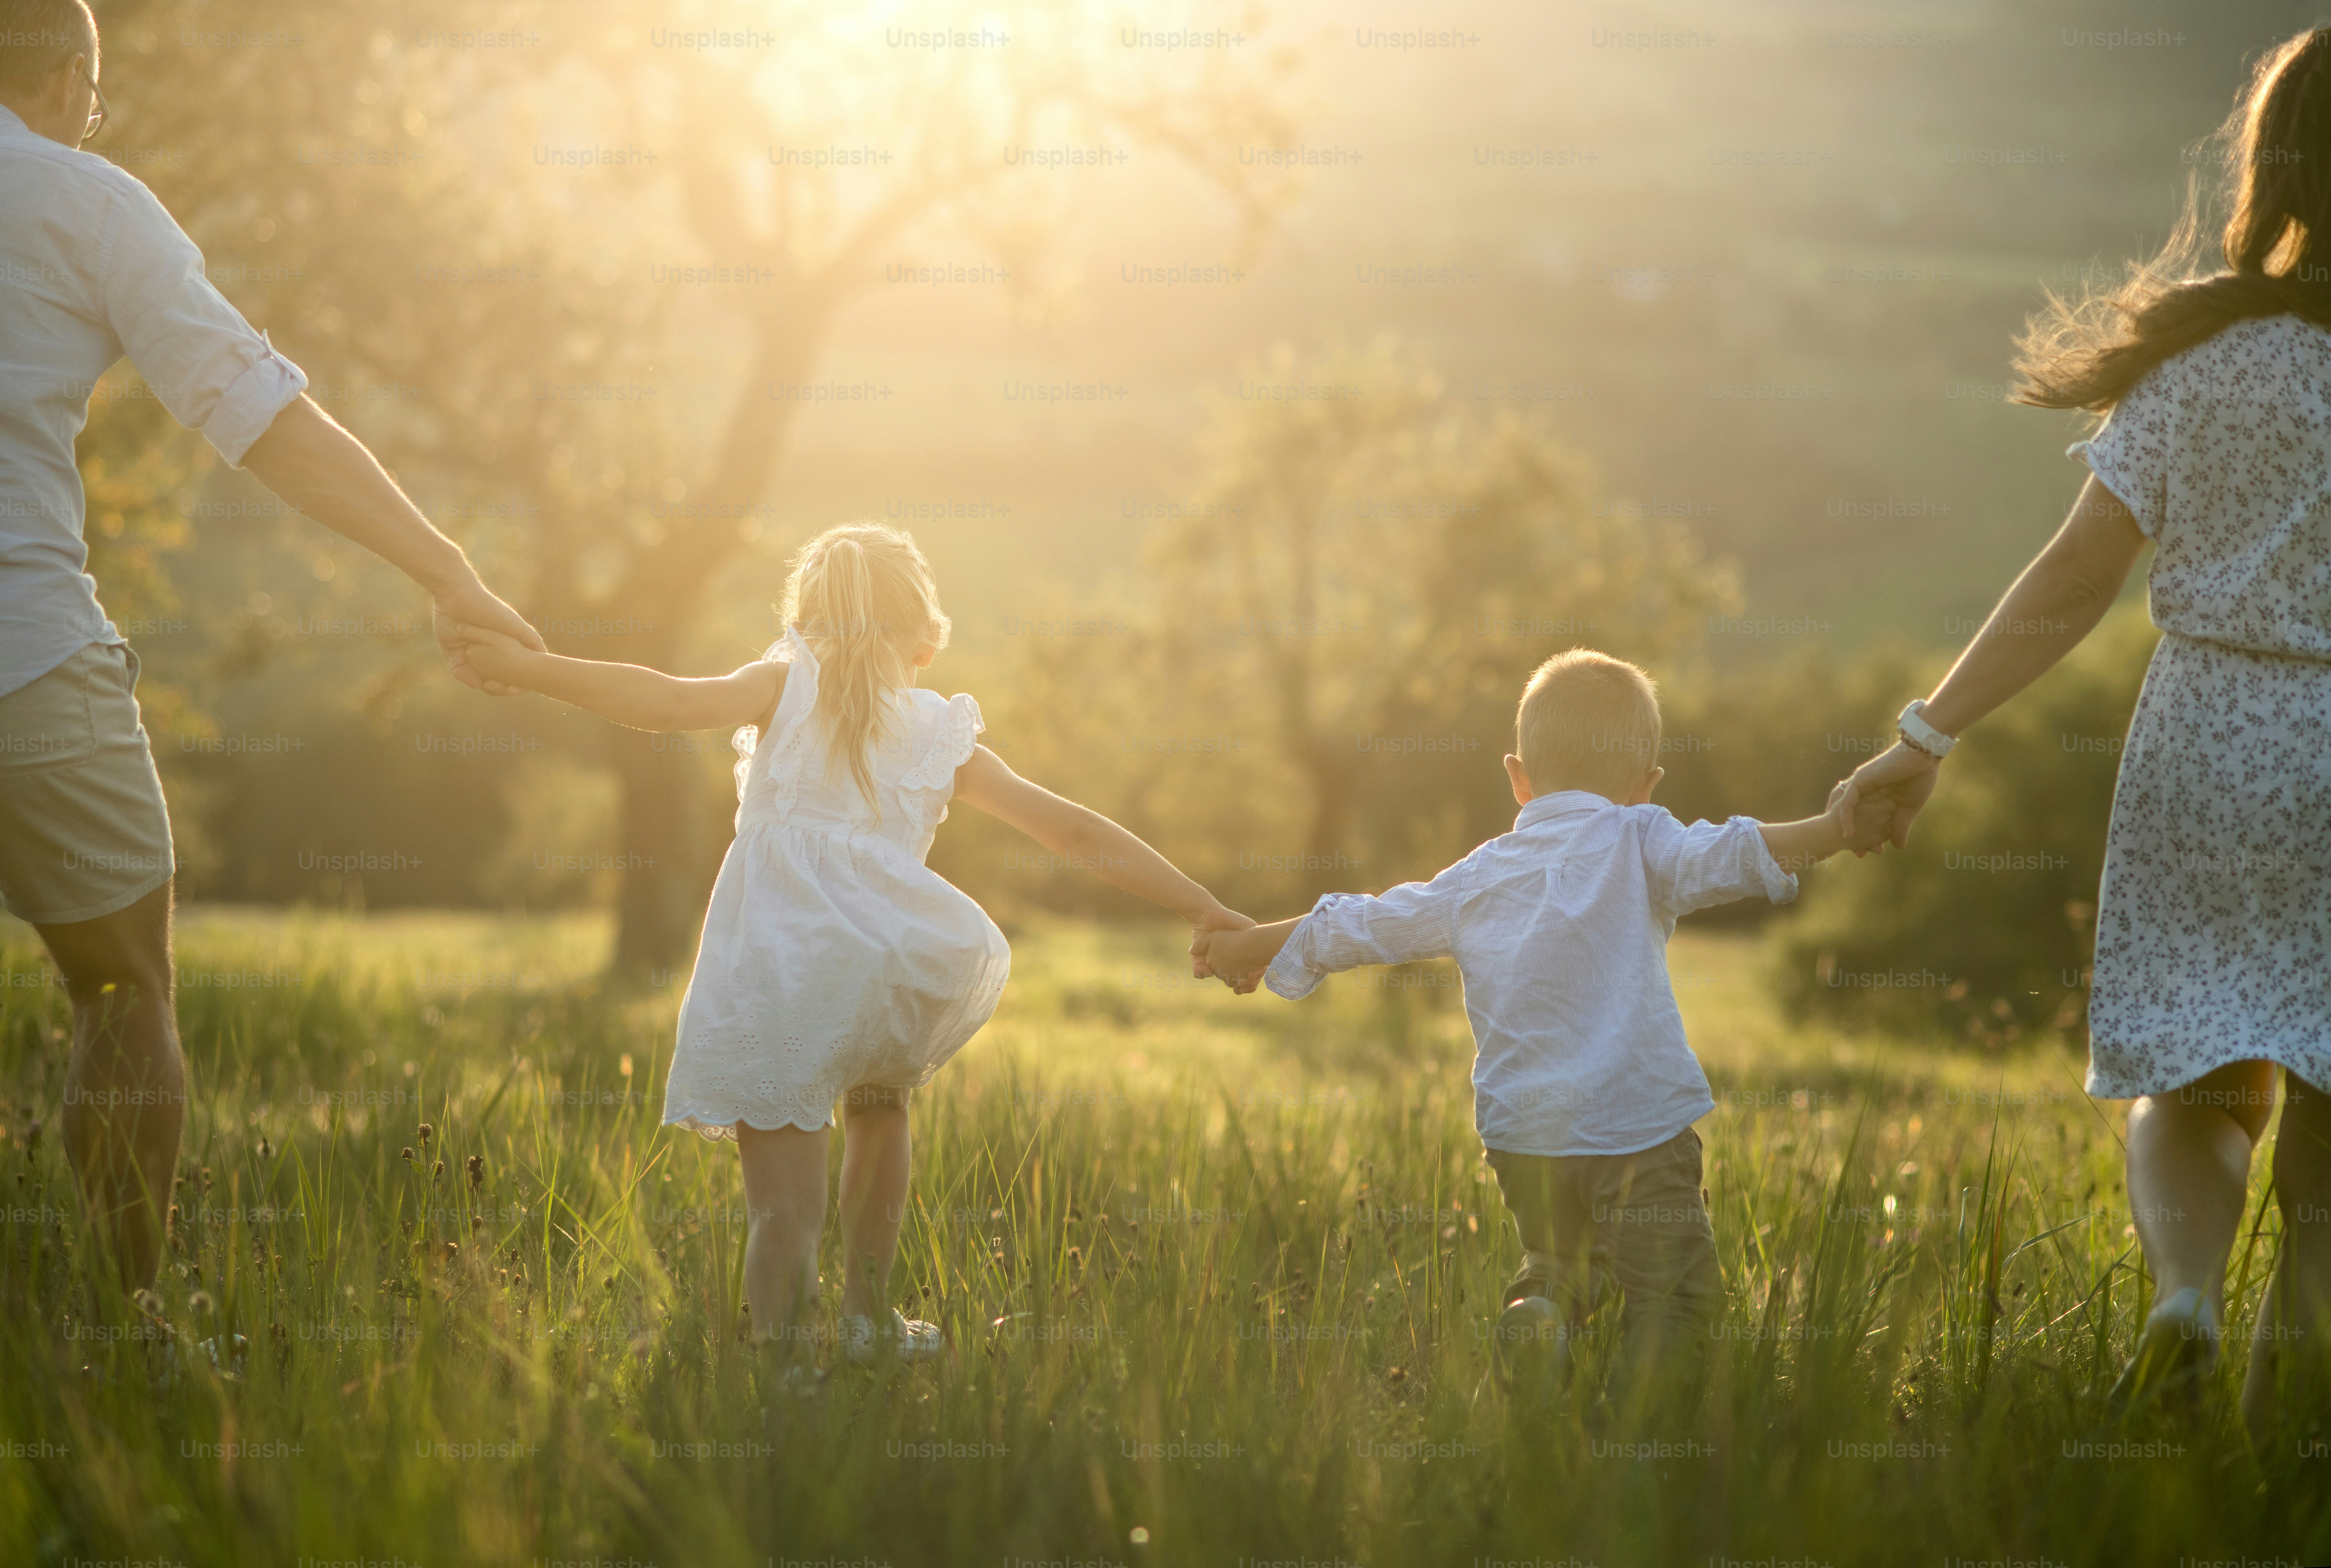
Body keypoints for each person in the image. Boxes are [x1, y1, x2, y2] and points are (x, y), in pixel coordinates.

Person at [0, 0, 544, 1301]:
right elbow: (263, 418)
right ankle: (132, 1324)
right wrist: (449, 569)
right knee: (121, 989)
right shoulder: (87, 198)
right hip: (15, 651)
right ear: (71, 79)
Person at [1832, 26, 2331, 1436]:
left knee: (2203, 1071)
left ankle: (2184, 1300)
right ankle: (2290, 1413)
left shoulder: (2203, 362)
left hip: (2207, 748)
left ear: (2275, 165)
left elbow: (2069, 584)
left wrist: (1923, 734)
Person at [458, 522, 1255, 1377]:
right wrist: (1202, 905)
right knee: (881, 1110)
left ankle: (785, 1372)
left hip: (782, 967)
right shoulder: (937, 731)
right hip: (887, 959)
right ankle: (868, 1321)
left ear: (803, 622)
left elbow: (667, 701)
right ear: (923, 637)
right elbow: (1073, 829)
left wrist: (527, 668)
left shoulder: (779, 685)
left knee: (782, 1212)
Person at [1204, 649, 1891, 1411]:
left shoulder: (1475, 876)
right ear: (1645, 784)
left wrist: (1250, 942)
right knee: (1675, 1302)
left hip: (1522, 1138)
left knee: (1563, 1259)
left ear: (1517, 776)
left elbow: (1365, 922)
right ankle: (1635, 1440)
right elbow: (1730, 851)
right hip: (1636, 1129)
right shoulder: (1640, 837)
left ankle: (1542, 1312)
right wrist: (1833, 830)